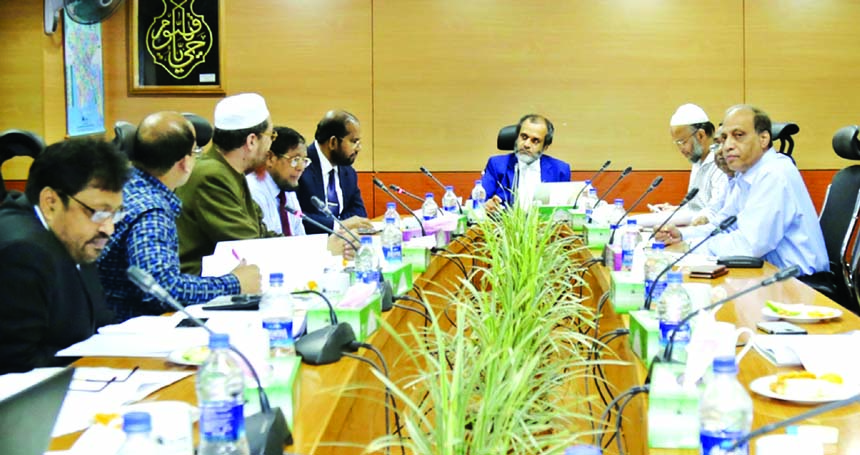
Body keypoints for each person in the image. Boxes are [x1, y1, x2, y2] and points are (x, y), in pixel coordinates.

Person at [98, 112, 262, 322]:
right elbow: (160, 290)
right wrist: (234, 283)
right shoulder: (151, 212)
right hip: (130, 331)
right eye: (196, 151)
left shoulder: (129, 186)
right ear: (184, 163)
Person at [0, 138, 128, 373]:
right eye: (99, 213)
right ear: (51, 203)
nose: (108, 228)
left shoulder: (70, 237)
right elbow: (16, 365)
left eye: (115, 214)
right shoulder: (22, 253)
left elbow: (97, 320)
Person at [655, 104, 828, 276]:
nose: (727, 146)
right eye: (723, 138)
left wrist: (690, 246)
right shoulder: (745, 175)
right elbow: (722, 226)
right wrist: (683, 236)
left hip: (801, 283)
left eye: (738, 136)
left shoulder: (774, 173)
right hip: (767, 273)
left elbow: (749, 245)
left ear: (764, 139)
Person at [176, 93, 280, 274]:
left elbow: (261, 234)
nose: (271, 145)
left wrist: (317, 247)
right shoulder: (211, 176)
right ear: (252, 141)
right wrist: (321, 251)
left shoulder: (230, 172)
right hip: (200, 289)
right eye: (271, 136)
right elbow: (249, 246)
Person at [295, 110, 371, 235]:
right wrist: (338, 225)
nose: (358, 148)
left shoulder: (348, 172)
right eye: (353, 141)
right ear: (333, 142)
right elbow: (295, 216)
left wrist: (340, 225)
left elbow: (359, 212)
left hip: (344, 243)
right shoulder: (300, 167)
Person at [650, 103, 728, 221]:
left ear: (701, 135)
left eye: (683, 142)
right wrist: (675, 210)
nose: (681, 149)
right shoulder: (697, 160)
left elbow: (716, 211)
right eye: (677, 143)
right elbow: (695, 207)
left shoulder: (723, 164)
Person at [481, 114, 571, 211]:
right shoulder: (497, 165)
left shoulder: (560, 170)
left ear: (545, 147)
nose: (526, 144)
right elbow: (477, 202)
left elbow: (565, 211)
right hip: (504, 225)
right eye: (524, 137)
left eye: (535, 141)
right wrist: (486, 206)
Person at [247, 126, 309, 236]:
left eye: (304, 161)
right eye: (295, 160)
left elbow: (300, 238)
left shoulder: (288, 192)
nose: (301, 167)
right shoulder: (252, 192)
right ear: (270, 158)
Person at [690, 125, 736, 226]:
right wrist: (704, 218)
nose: (719, 151)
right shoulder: (729, 178)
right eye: (717, 144)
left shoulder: (766, 177)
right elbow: (714, 208)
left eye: (725, 143)